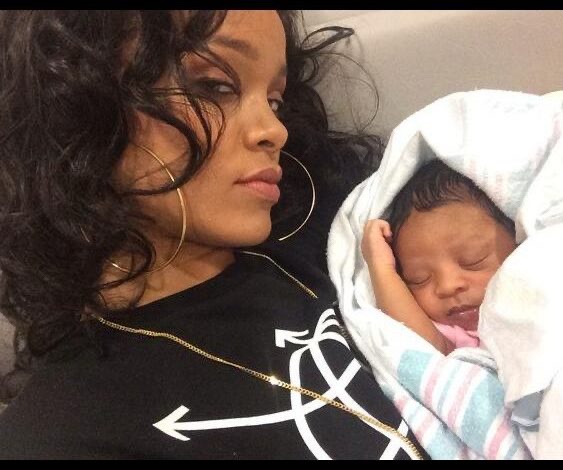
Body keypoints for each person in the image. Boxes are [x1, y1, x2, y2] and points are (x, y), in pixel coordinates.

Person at [0, 10, 426, 459]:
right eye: (215, 86)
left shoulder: (335, 229)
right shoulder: (60, 434)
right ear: (76, 97)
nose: (275, 130)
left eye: (275, 100)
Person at [361, 160, 517, 355]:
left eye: (473, 260)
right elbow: (425, 350)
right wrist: (381, 268)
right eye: (419, 279)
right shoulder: (451, 338)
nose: (447, 286)